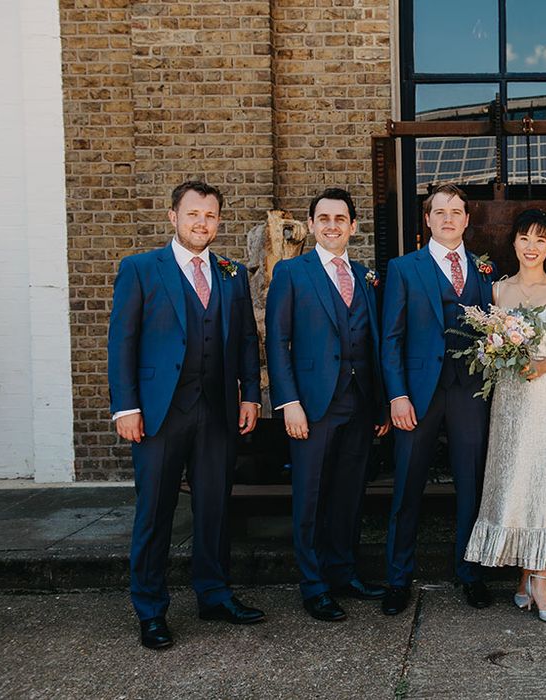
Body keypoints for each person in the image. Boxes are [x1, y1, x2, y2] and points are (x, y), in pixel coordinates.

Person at [108, 181, 264, 650]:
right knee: (155, 512)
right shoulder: (140, 269)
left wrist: (250, 396)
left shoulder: (231, 274)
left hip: (216, 411)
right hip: (158, 414)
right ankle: (151, 610)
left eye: (211, 216)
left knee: (214, 510)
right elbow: (123, 342)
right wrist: (126, 407)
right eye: (193, 214)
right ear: (173, 216)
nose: (202, 223)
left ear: (219, 221)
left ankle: (214, 594)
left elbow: (243, 343)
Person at [266, 188, 389, 622]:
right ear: (313, 224)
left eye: (341, 218)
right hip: (312, 406)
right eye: (324, 218)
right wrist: (289, 403)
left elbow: (372, 344)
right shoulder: (291, 273)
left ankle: (343, 573)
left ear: (353, 226)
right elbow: (277, 342)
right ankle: (314, 585)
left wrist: (379, 407)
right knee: (312, 497)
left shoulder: (363, 275)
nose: (332, 225)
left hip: (359, 403)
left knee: (349, 495)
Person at [464, 209, 546, 624]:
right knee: (510, 479)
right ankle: (522, 577)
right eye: (524, 238)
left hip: (544, 396)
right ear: (514, 243)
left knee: (540, 482)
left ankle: (541, 580)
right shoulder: (498, 292)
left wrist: (542, 365)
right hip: (508, 398)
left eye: (540, 240)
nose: (531, 247)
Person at [381, 183, 496, 616]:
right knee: (407, 487)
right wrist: (397, 395)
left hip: (469, 393)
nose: (448, 218)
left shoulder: (484, 271)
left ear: (467, 220)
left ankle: (471, 573)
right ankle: (397, 578)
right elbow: (390, 338)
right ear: (427, 220)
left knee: (471, 485)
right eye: (439, 211)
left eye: (456, 211)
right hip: (418, 394)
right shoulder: (404, 268)